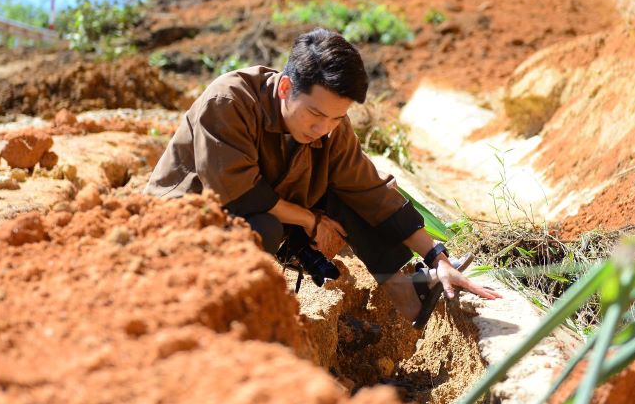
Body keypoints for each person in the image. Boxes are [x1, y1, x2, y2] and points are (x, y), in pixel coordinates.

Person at [146, 28, 500, 327]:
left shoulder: (330, 126)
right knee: (262, 226)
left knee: (350, 195)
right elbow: (235, 193)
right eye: (314, 114)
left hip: (267, 205)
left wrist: (436, 257)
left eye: (335, 118)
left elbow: (369, 190)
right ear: (285, 88)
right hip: (190, 221)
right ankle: (229, 322)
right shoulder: (230, 99)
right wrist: (310, 220)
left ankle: (412, 294)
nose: (322, 129)